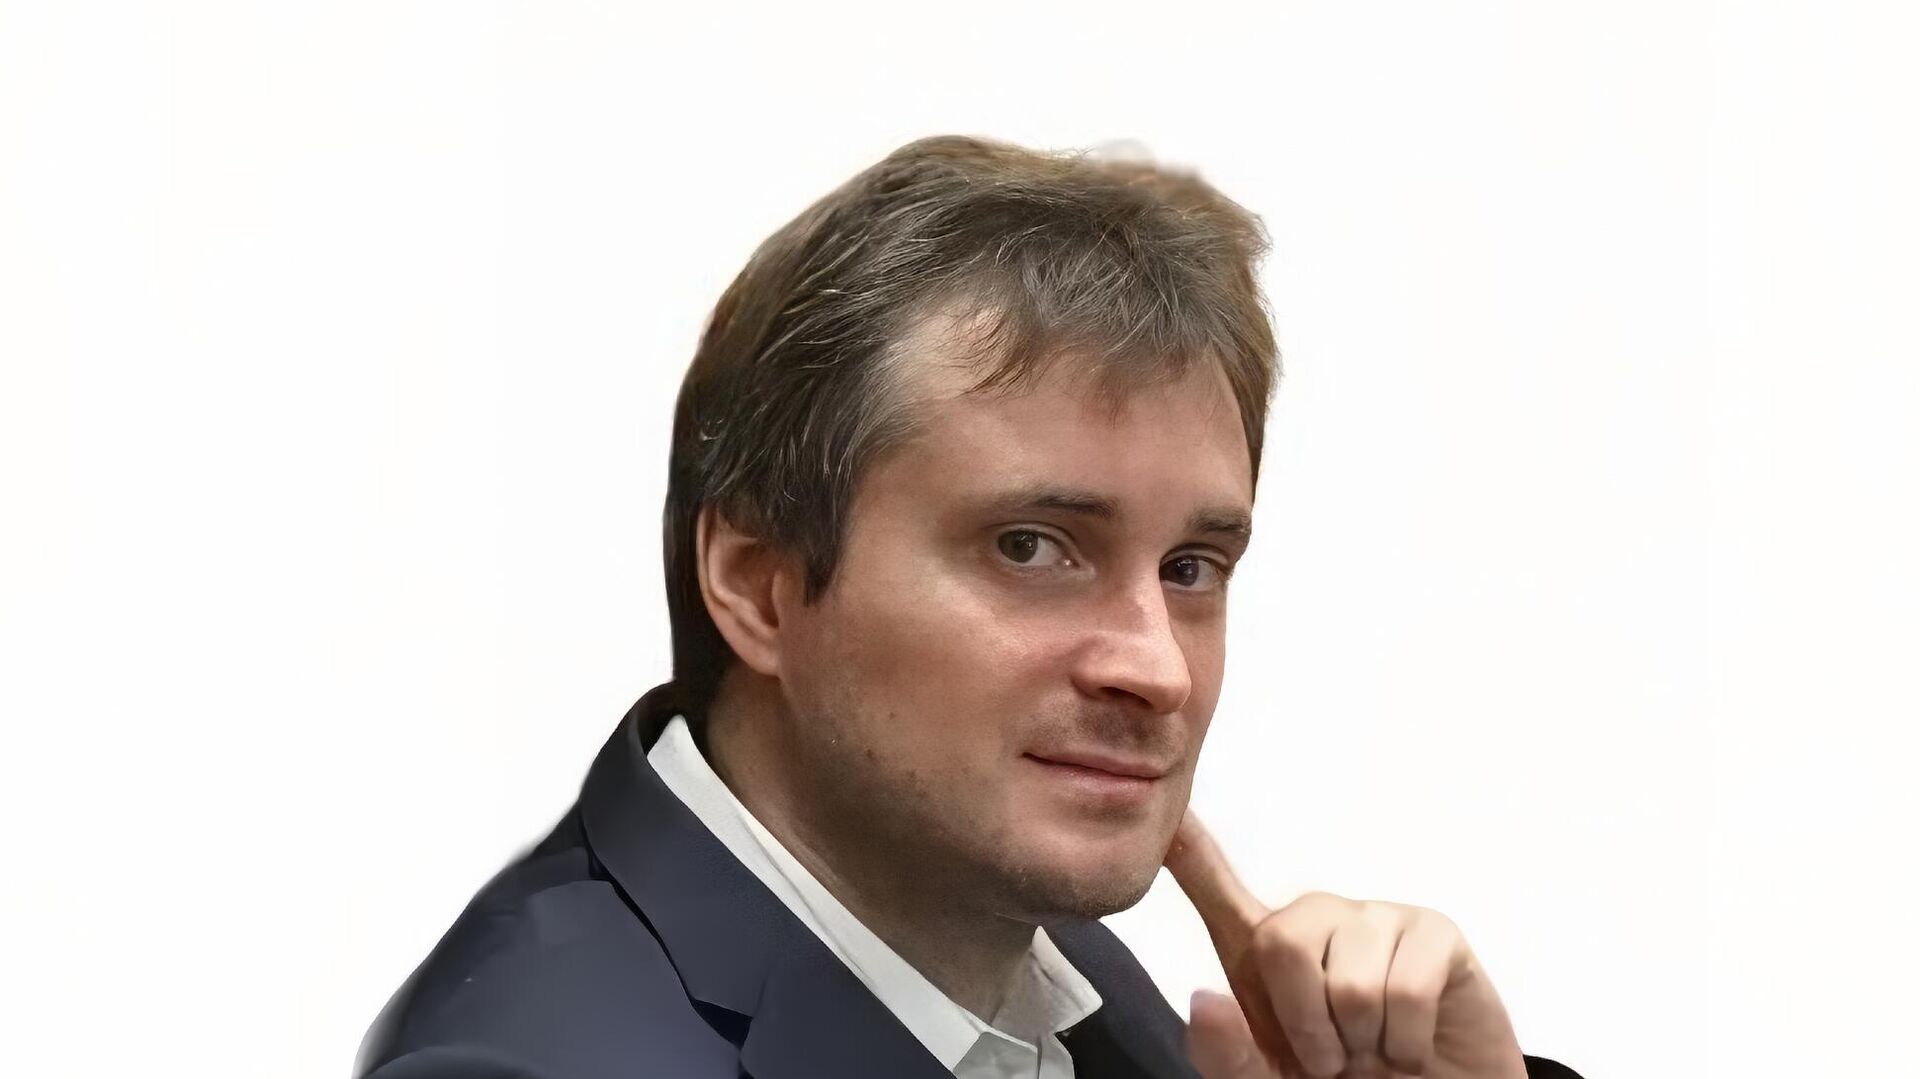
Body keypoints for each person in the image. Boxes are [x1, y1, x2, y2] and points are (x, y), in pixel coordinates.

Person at [354, 135, 1584, 1079]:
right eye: (1032, 546)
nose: (1156, 667)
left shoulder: (1006, 945)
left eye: (1192, 567)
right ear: (758, 582)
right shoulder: (535, 1061)